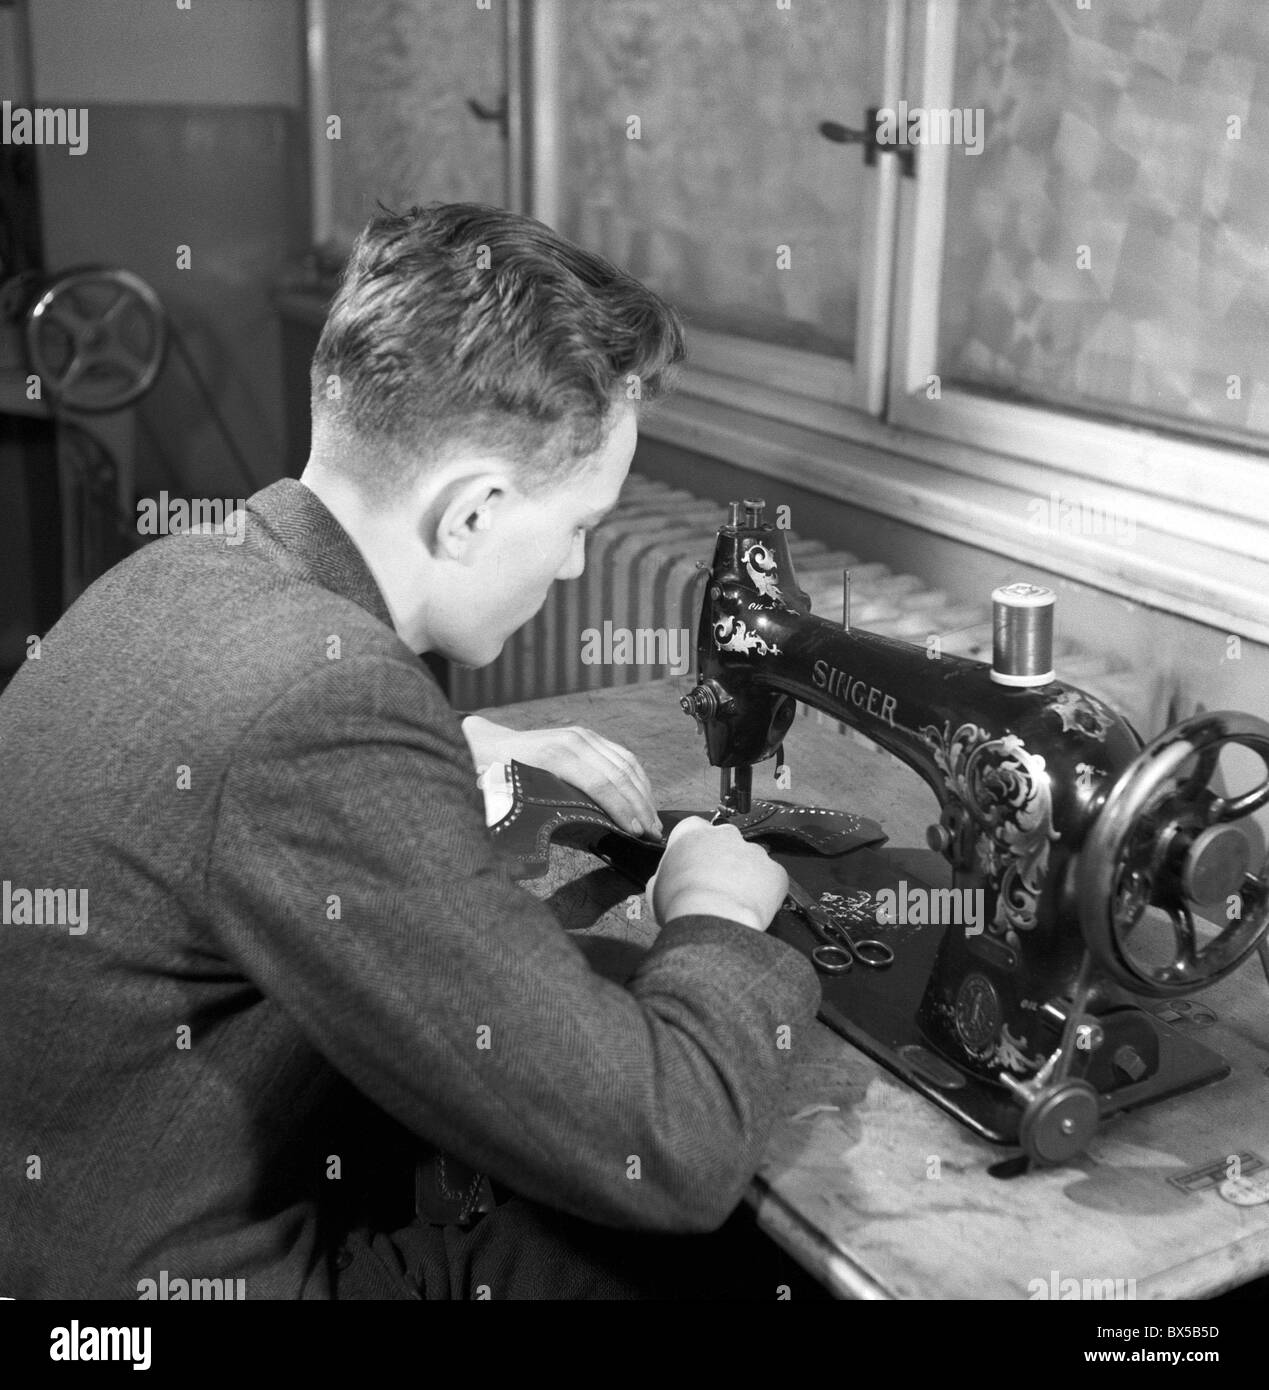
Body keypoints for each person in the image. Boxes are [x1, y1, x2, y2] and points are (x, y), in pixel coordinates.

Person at [0, 203, 819, 1300]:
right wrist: (716, 914)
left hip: (69, 1210)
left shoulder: (190, 573)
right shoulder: (325, 700)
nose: (576, 568)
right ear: (474, 512)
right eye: (579, 525)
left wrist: (433, 748)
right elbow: (671, 1143)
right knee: (707, 1253)